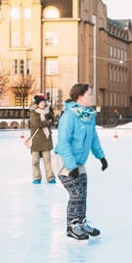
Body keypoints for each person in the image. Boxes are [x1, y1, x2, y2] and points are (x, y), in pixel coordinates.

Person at [55, 83, 108, 241]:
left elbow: (93, 138)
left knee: (83, 194)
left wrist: (101, 157)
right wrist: (71, 166)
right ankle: (72, 226)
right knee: (76, 194)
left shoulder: (89, 116)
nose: (92, 97)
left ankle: (82, 223)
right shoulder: (69, 116)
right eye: (89, 94)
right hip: (64, 161)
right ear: (80, 97)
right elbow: (63, 143)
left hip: (79, 162)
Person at [30, 94, 55, 184]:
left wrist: (50, 112)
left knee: (47, 160)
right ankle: (36, 177)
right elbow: (37, 124)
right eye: (41, 102)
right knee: (35, 161)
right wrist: (48, 122)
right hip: (36, 140)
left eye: (44, 102)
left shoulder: (47, 112)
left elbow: (54, 119)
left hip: (46, 139)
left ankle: (50, 177)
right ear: (37, 104)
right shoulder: (33, 113)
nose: (43, 104)